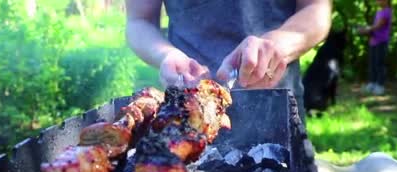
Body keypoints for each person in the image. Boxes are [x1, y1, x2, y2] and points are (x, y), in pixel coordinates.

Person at [125, 0, 332, 119]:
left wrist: (276, 45)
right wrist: (166, 55)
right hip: (188, 108)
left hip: (276, 105)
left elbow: (316, 9)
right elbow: (139, 21)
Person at [358, 0, 392, 96]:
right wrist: (366, 31)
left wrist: (366, 29)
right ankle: (372, 83)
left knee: (379, 63)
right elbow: (374, 27)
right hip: (374, 41)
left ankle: (380, 85)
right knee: (372, 63)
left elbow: (379, 26)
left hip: (382, 42)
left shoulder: (387, 11)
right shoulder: (378, 12)